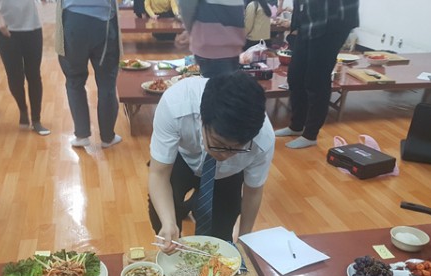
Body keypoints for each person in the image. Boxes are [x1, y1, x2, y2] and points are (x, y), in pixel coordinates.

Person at [148, 71, 275, 246]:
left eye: (237, 148)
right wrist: (168, 223)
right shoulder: (176, 105)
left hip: (227, 175)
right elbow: (158, 174)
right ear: (202, 119)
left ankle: (196, 204)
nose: (226, 154)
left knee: (219, 236)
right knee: (161, 217)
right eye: (218, 144)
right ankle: (184, 210)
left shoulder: (263, 140)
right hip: (183, 156)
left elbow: (253, 191)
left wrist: (245, 240)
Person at [275, 0, 358, 149]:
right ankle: (296, 126)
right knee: (295, 77)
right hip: (308, 22)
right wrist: (295, 23)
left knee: (316, 80)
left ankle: (310, 134)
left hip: (331, 24)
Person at [55, 0, 123, 149]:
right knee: (107, 83)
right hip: (104, 22)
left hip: (73, 21)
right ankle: (108, 137)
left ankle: (81, 135)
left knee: (74, 81)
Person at [0, 0, 50, 135]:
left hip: (32, 24)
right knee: (14, 76)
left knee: (34, 74)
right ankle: (22, 109)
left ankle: (36, 119)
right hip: (4, 25)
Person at [178, 0, 245, 78]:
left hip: (209, 46)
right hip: (234, 44)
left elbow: (186, 4)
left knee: (211, 83)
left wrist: (190, 30)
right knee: (230, 83)